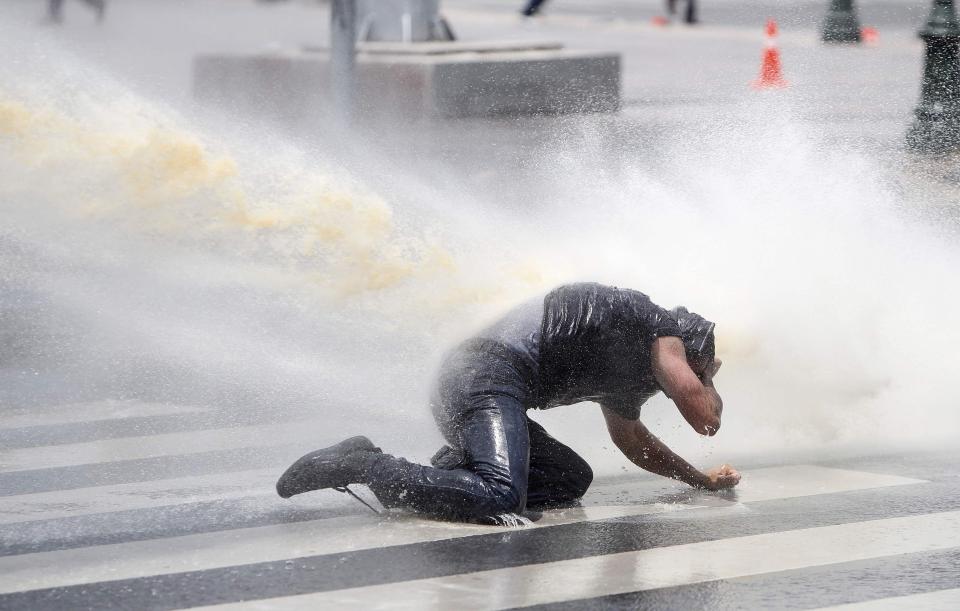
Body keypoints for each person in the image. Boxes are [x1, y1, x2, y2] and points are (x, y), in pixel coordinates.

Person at [276, 282, 739, 523]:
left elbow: (634, 442)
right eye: (697, 366)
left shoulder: (628, 375)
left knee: (569, 477)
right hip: (482, 374)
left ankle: (454, 470)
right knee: (500, 495)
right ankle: (363, 462)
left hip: (484, 385)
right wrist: (706, 382)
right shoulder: (657, 324)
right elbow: (702, 416)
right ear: (686, 350)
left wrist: (698, 480)